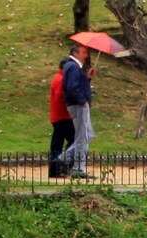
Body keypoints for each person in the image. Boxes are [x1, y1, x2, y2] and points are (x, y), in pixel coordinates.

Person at [57, 43, 97, 179]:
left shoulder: (72, 67)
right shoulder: (73, 67)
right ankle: (78, 168)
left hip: (77, 104)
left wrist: (87, 78)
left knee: (88, 134)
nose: (86, 56)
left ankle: (64, 157)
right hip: (79, 105)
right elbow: (72, 87)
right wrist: (82, 101)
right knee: (82, 137)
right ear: (75, 53)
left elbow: (77, 84)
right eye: (83, 53)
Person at [47, 69, 72, 178]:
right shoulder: (62, 79)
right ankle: (63, 164)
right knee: (75, 140)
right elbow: (60, 96)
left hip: (57, 116)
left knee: (57, 143)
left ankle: (54, 170)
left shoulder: (58, 77)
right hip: (64, 116)